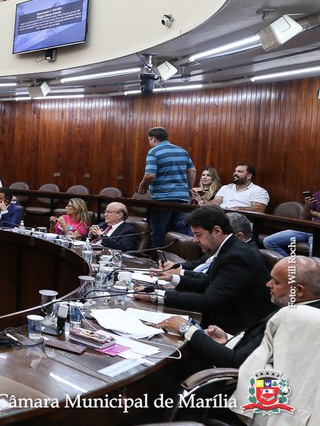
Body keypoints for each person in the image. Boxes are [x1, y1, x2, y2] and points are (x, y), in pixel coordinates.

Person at [156, 256, 320, 374]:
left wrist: (186, 329)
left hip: (236, 386)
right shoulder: (299, 308)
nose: (268, 284)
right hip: (236, 362)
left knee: (167, 372)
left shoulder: (298, 319)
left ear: (298, 291)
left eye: (276, 282)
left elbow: (239, 363)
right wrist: (228, 339)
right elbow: (260, 347)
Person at [134, 206, 276, 333]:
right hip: (222, 318)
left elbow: (208, 301)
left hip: (236, 330)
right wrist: (171, 280)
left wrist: (158, 297)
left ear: (217, 231)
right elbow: (208, 282)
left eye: (198, 234)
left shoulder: (238, 256)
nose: (194, 240)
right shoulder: (229, 249)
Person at [138, 126, 196, 248]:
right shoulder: (182, 151)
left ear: (153, 139)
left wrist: (142, 187)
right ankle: (182, 256)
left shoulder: (154, 152)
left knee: (159, 231)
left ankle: (158, 256)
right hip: (181, 199)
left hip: (163, 199)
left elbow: (150, 175)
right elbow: (192, 171)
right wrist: (189, 188)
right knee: (180, 232)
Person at [263, 190, 320, 257]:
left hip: (318, 231)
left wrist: (313, 213)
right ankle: (288, 262)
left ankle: (311, 264)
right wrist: (307, 205)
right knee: (269, 242)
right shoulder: (317, 194)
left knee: (314, 253)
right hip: (307, 229)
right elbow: (304, 217)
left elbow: (312, 213)